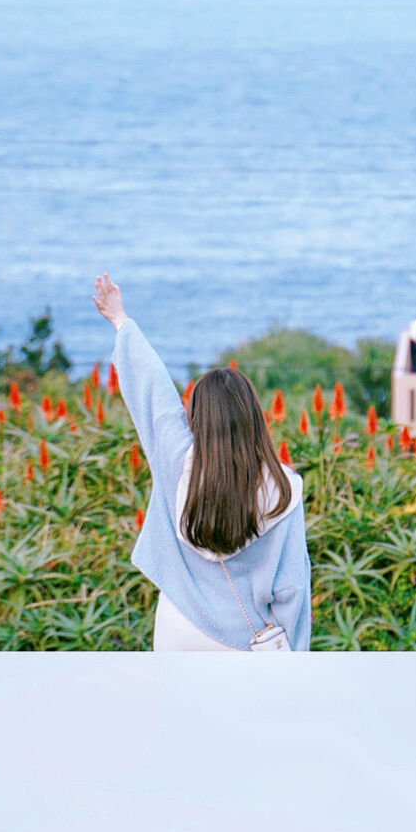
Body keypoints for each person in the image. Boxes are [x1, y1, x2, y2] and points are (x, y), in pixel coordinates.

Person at [92, 273, 311, 652]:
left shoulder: (177, 460)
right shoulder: (284, 488)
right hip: (247, 638)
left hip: (178, 624)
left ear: (197, 419)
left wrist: (121, 321)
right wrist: (295, 658)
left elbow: (155, 393)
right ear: (254, 417)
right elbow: (292, 585)